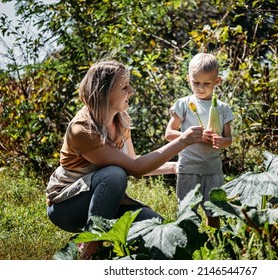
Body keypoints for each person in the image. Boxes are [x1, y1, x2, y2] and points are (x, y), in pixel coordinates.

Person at [46, 60, 203, 260]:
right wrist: (182, 140)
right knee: (114, 175)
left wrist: (174, 167)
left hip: (106, 200)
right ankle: (90, 252)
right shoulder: (82, 129)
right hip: (66, 207)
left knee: (157, 227)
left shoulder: (120, 120)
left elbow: (134, 162)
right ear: (104, 93)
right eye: (124, 86)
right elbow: (134, 169)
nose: (132, 90)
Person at [165, 53, 234, 228]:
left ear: (217, 81)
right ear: (188, 79)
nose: (200, 88)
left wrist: (221, 141)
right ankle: (189, 243)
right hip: (188, 167)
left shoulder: (223, 108)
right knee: (187, 211)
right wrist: (191, 136)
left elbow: (229, 139)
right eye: (196, 83)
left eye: (207, 83)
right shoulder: (184, 104)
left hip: (213, 169)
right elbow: (169, 133)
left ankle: (215, 245)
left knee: (214, 211)